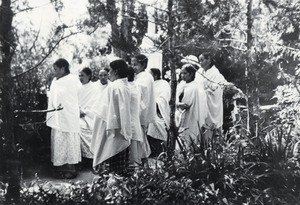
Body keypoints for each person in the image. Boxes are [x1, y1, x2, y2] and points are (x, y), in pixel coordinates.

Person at [91, 59, 132, 176]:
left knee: (112, 170)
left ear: (116, 71)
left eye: (110, 71)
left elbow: (103, 112)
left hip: (112, 131)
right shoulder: (125, 86)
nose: (109, 74)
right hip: (122, 131)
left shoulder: (114, 87)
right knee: (120, 170)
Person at [46, 58, 81, 179]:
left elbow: (79, 95)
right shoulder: (55, 81)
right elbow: (52, 97)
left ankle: (71, 168)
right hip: (58, 116)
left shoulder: (74, 79)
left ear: (63, 68)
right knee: (60, 141)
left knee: (70, 141)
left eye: (56, 69)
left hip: (70, 115)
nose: (54, 72)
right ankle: (60, 168)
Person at [199, 52, 238, 140]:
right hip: (201, 103)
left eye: (202, 60)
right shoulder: (199, 73)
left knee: (212, 129)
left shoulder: (216, 74)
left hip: (212, 104)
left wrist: (208, 91)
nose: (200, 63)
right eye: (199, 61)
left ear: (209, 60)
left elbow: (220, 87)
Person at [176, 64, 207, 151]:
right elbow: (174, 98)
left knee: (189, 135)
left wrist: (180, 104)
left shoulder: (194, 87)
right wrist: (177, 104)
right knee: (181, 136)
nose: (182, 76)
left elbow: (187, 104)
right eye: (181, 73)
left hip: (190, 115)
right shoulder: (181, 85)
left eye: (185, 73)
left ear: (191, 74)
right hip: (180, 114)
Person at [131, 54, 155, 160]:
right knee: (139, 137)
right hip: (138, 108)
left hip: (142, 109)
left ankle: (141, 160)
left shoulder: (146, 76)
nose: (133, 67)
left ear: (143, 64)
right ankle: (139, 160)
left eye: (135, 64)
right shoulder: (138, 76)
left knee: (140, 136)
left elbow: (140, 92)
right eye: (132, 64)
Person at [147, 68, 171, 157]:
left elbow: (164, 98)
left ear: (155, 75)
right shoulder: (150, 84)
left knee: (160, 131)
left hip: (160, 113)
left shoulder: (163, 84)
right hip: (150, 112)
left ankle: (162, 152)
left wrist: (155, 103)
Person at [78, 67, 98, 165]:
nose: (80, 78)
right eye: (79, 75)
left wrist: (85, 112)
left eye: (83, 75)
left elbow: (95, 105)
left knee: (82, 127)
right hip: (77, 115)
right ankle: (81, 159)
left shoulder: (94, 88)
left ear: (89, 76)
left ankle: (92, 159)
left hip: (90, 116)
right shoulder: (78, 87)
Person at [127, 66, 144, 169]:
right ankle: (135, 163)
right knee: (134, 139)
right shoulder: (136, 86)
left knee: (131, 140)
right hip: (135, 116)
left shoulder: (128, 87)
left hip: (131, 116)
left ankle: (132, 164)